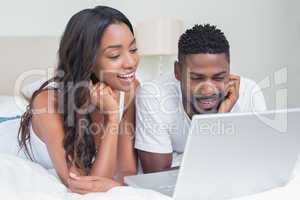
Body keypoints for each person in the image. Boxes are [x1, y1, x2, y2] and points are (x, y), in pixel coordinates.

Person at [18, 6, 140, 194]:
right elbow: (84, 186)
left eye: (133, 49)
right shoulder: (47, 103)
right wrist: (113, 118)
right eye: (115, 55)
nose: (131, 62)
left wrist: (113, 116)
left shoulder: (128, 90)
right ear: (87, 60)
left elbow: (126, 171)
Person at [135, 24, 267, 173]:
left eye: (219, 77)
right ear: (177, 71)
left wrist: (221, 118)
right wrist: (218, 124)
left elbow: (258, 161)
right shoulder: (153, 95)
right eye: (197, 78)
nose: (208, 90)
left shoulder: (249, 92)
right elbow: (157, 175)